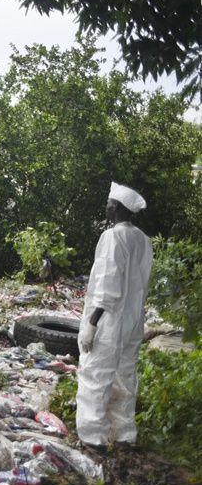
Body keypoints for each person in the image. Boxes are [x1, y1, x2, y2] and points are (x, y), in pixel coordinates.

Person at [76, 182, 153, 451]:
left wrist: (92, 323)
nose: (106, 207)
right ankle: (124, 435)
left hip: (109, 319)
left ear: (117, 207)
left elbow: (108, 285)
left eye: (109, 203)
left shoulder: (113, 237)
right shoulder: (143, 239)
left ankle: (93, 437)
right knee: (125, 377)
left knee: (95, 376)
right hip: (133, 319)